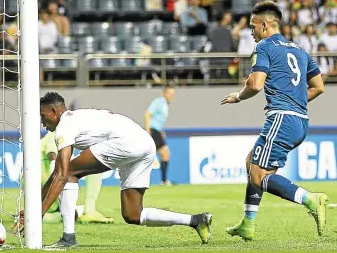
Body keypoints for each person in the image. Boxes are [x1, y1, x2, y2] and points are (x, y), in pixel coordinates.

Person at [17, 92, 212, 248]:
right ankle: (196, 220)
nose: (42, 123)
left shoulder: (64, 127)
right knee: (133, 215)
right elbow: (57, 174)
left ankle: (68, 238)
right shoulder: (78, 118)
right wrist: (33, 209)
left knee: (68, 174)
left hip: (125, 142)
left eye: (43, 117)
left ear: (53, 111)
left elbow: (61, 175)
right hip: (145, 143)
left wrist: (36, 215)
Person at [221, 1, 328, 241]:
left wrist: (238, 97)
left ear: (265, 25)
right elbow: (319, 87)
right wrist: (295, 100)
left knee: (259, 175)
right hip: (300, 121)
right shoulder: (300, 51)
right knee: (253, 162)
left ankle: (311, 199)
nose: (251, 32)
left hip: (281, 118)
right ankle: (247, 223)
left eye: (253, 26)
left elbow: (255, 84)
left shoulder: (265, 47)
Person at [41, 130, 115, 225]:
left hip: (37, 193)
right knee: (94, 164)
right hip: (45, 190)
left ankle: (70, 212)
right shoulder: (58, 133)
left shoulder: (53, 135)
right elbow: (52, 158)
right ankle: (87, 211)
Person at [144, 85, 176, 185]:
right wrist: (148, 130)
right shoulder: (159, 102)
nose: (171, 96)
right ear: (164, 93)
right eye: (169, 93)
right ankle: (164, 180)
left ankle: (163, 180)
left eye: (172, 94)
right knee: (165, 154)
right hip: (153, 131)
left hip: (157, 131)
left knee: (163, 155)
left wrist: (161, 131)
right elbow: (147, 114)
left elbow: (159, 120)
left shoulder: (165, 104)